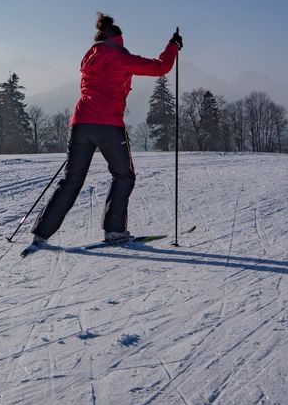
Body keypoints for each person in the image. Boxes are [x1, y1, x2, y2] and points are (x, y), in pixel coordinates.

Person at [32, 13, 182, 245]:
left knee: (71, 180)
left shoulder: (88, 58)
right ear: (118, 40)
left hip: (80, 124)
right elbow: (160, 67)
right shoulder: (120, 56)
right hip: (109, 125)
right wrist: (172, 46)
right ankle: (114, 230)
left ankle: (41, 232)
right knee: (124, 176)